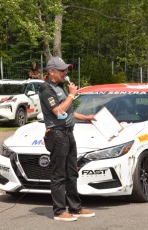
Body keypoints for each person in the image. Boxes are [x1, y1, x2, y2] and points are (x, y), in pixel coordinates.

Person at [39, 56, 96, 222]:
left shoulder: (60, 87)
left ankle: (75, 208)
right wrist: (71, 95)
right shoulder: (46, 89)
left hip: (68, 133)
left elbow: (68, 112)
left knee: (72, 173)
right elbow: (58, 111)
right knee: (59, 174)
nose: (65, 73)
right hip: (57, 134)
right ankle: (59, 211)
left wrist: (85, 117)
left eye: (66, 70)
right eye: (62, 70)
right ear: (51, 71)